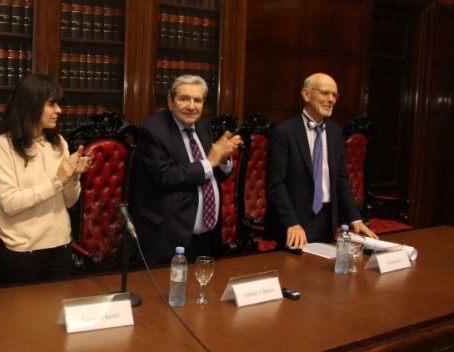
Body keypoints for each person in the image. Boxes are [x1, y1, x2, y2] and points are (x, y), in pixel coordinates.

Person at [0, 74, 93, 283]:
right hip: (23, 253)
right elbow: (10, 203)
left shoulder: (59, 143)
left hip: (61, 246)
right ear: (32, 105)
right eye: (51, 104)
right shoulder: (3, 145)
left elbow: (68, 202)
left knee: (55, 314)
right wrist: (57, 181)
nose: (59, 111)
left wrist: (73, 177)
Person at [132, 74, 242, 265]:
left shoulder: (203, 126)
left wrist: (223, 160)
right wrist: (210, 162)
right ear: (170, 101)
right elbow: (165, 175)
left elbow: (212, 173)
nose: (191, 106)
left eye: (197, 100)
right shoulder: (154, 130)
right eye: (184, 98)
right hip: (168, 234)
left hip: (206, 234)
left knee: (203, 288)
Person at [265, 72, 378, 248]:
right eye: (325, 93)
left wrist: (355, 218)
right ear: (306, 94)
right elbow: (275, 184)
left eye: (334, 95)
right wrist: (291, 223)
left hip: (327, 220)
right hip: (294, 223)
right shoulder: (284, 132)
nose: (331, 99)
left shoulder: (335, 132)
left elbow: (340, 179)